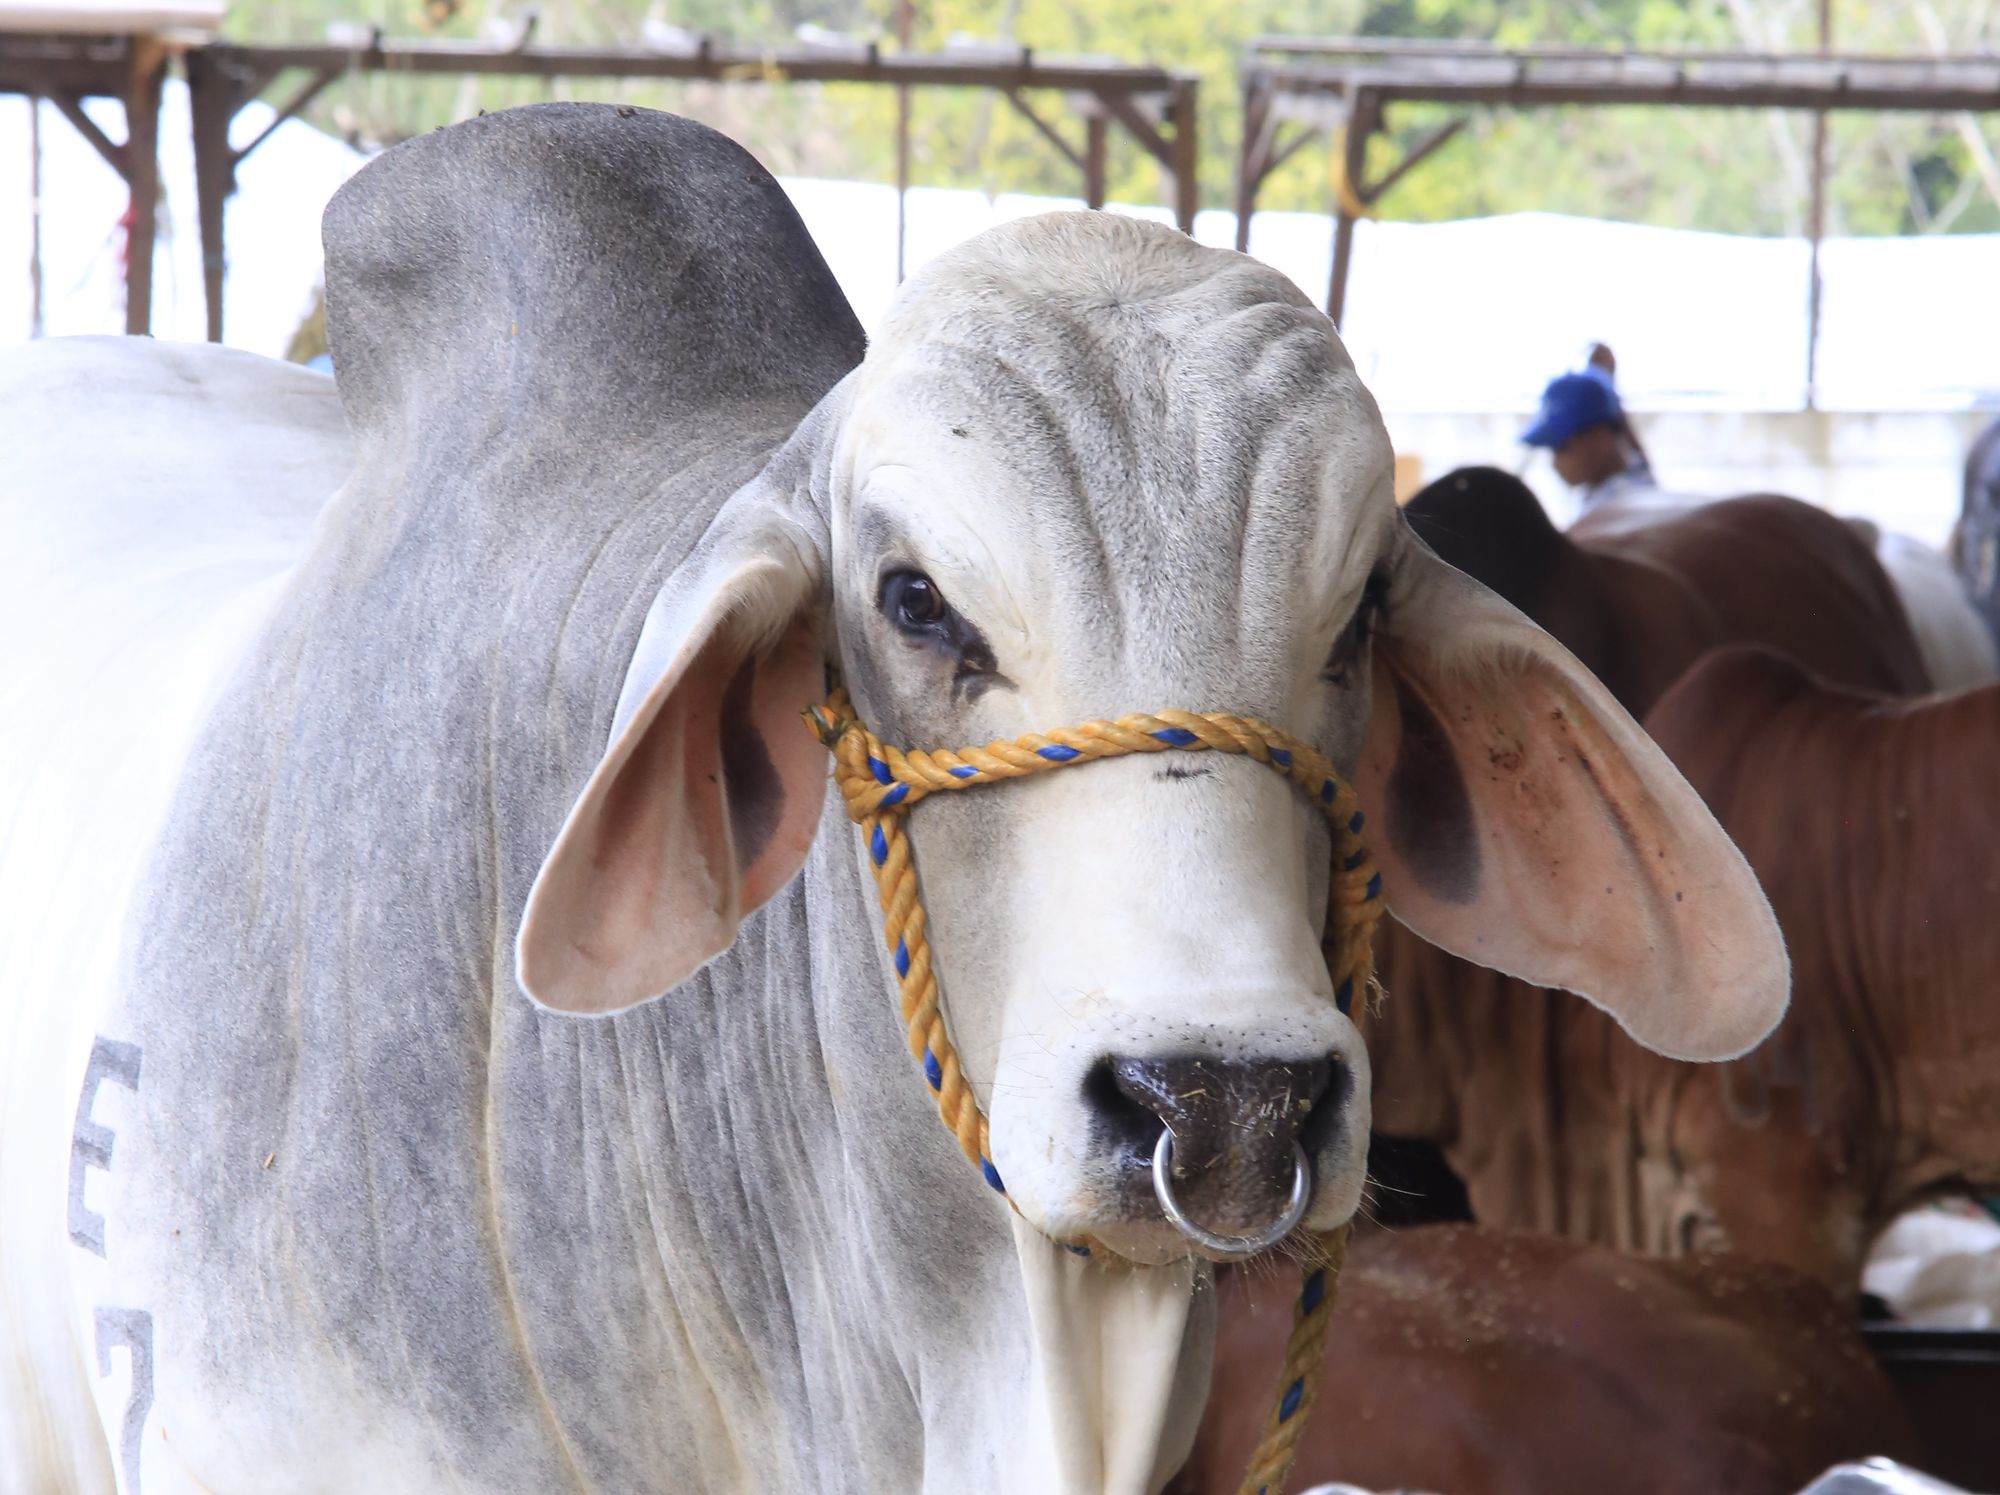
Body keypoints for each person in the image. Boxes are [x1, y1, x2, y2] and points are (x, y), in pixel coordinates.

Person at [1521, 349, 1658, 509]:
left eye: (1560, 447)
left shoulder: (1611, 510)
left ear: (1599, 436)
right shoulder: (1636, 475)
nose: (1555, 463)